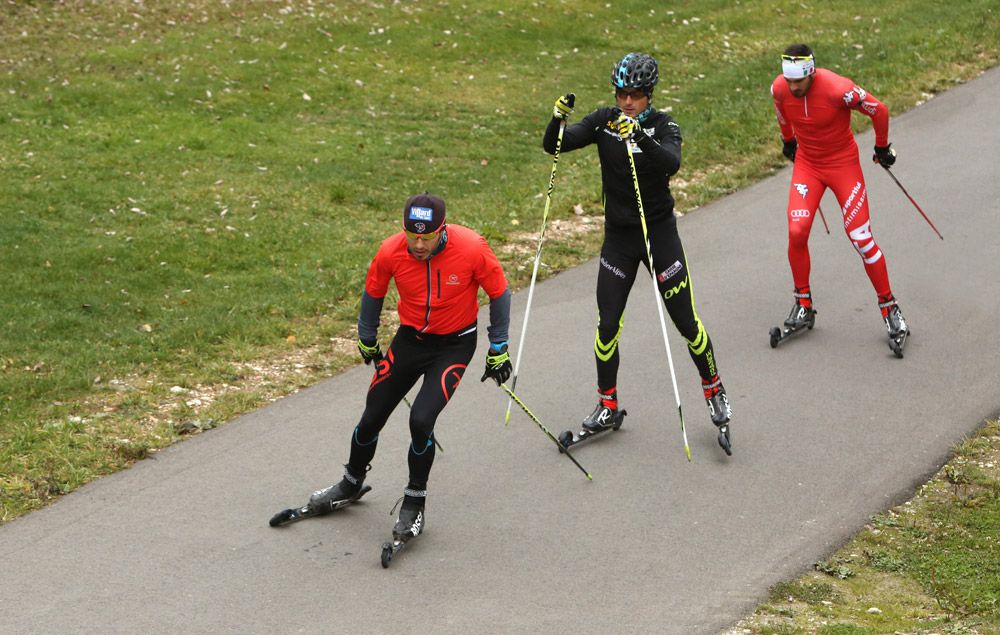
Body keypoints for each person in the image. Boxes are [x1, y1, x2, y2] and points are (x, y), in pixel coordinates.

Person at [543, 52, 733, 452]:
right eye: (622, 93)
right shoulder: (603, 120)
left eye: (636, 95)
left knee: (687, 323)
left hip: (659, 235)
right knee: (607, 324)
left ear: (650, 95)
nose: (627, 102)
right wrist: (557, 118)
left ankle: (714, 391)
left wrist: (638, 137)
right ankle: (607, 404)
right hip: (620, 239)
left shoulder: (665, 126)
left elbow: (671, 163)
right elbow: (554, 146)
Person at [307, 192, 512, 543]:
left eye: (427, 237)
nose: (418, 245)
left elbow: (500, 292)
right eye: (412, 235)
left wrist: (498, 347)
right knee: (372, 417)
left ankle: (415, 502)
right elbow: (374, 290)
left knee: (420, 420)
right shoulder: (391, 250)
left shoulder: (472, 247)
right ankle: (351, 482)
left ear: (442, 230)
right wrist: (367, 336)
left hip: (454, 344)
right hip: (410, 340)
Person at [771, 43, 909, 350]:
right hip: (808, 165)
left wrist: (882, 147)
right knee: (797, 230)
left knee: (860, 237)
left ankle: (890, 308)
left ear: (811, 73)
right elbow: (781, 111)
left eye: (798, 81)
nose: (792, 87)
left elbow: (879, 109)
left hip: (842, 165)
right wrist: (788, 140)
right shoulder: (779, 88)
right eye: (788, 80)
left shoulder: (839, 89)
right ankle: (803, 303)